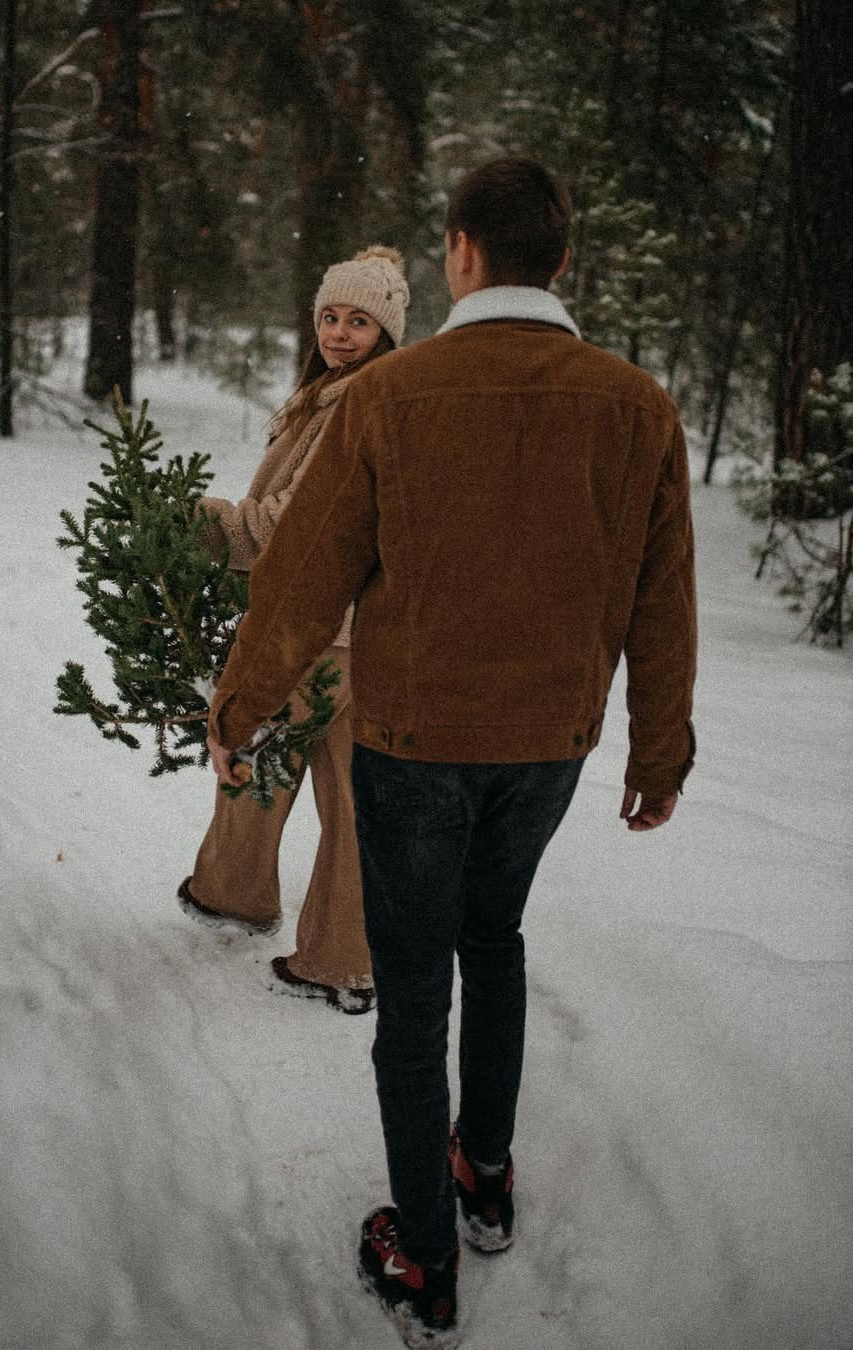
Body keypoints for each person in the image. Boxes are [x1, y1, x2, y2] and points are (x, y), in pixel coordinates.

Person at [204, 157, 697, 1349]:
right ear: (562, 262)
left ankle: (423, 1256)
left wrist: (239, 710)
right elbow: (663, 596)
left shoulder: (391, 398)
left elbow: (301, 580)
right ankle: (484, 1174)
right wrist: (656, 752)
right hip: (550, 748)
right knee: (498, 938)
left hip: (414, 745)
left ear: (461, 251)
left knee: (417, 983)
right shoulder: (638, 407)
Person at [178, 245, 411, 1016]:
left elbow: (296, 526)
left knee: (255, 754)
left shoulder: (353, 403)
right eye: (331, 317)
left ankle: (232, 895)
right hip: (364, 634)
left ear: (388, 331)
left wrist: (210, 524)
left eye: (360, 321)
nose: (340, 334)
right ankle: (347, 956)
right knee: (352, 800)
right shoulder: (354, 394)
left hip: (317, 625)